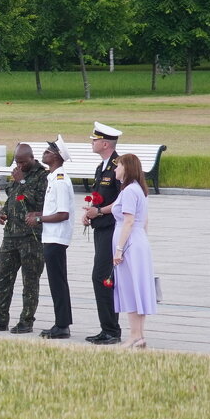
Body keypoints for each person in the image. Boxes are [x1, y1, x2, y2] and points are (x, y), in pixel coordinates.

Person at [0, 143, 48, 334]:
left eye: (22, 162)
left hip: (31, 237)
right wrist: (4, 212)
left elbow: (39, 203)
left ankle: (26, 320)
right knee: (2, 277)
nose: (19, 166)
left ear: (31, 158)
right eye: (17, 162)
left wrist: (22, 182)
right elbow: (14, 197)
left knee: (30, 281)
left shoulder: (42, 176)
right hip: (11, 235)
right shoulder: (18, 174)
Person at [28, 136, 75, 339]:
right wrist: (39, 216)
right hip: (51, 236)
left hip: (56, 238)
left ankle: (62, 325)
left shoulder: (61, 180)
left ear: (56, 156)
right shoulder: (53, 178)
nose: (44, 154)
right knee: (56, 281)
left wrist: (39, 220)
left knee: (58, 282)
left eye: (48, 151)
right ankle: (61, 323)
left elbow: (63, 213)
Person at [82, 122, 123, 345]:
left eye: (95, 139)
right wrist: (90, 213)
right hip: (101, 228)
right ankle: (107, 328)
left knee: (102, 277)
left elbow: (122, 200)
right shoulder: (102, 167)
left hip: (112, 229)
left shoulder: (118, 166)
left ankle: (111, 330)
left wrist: (99, 211)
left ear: (105, 143)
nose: (92, 142)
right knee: (102, 277)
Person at [112, 153, 157, 348]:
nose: (115, 169)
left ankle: (134, 335)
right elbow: (144, 221)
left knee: (130, 289)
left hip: (130, 243)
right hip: (139, 242)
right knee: (139, 287)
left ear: (126, 168)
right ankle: (139, 334)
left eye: (118, 166)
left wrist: (119, 250)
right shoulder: (139, 190)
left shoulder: (130, 191)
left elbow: (128, 221)